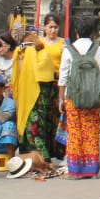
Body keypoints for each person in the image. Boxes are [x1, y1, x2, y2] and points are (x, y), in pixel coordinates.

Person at [58, 15, 100, 179]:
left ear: (76, 32)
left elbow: (63, 77)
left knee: (74, 132)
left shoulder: (68, 50)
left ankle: (75, 170)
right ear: (93, 32)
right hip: (94, 98)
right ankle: (91, 169)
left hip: (73, 97)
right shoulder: (99, 51)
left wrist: (61, 99)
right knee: (91, 131)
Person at [13, 13, 66, 160]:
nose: (53, 30)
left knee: (55, 122)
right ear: (45, 27)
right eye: (50, 27)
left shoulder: (64, 43)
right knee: (42, 121)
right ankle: (43, 153)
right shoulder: (37, 43)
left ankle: (56, 153)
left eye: (55, 27)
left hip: (57, 84)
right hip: (40, 84)